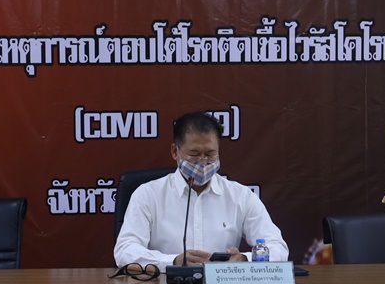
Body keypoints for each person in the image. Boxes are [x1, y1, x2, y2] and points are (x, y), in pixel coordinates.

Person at [114, 111, 287, 271]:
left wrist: (245, 259)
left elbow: (277, 247)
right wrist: (173, 262)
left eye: (210, 154)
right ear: (175, 152)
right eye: (194, 154)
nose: (203, 162)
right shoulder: (148, 195)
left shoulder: (240, 196)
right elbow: (125, 251)